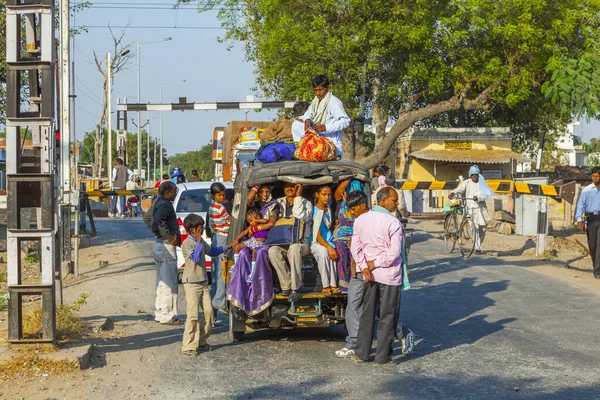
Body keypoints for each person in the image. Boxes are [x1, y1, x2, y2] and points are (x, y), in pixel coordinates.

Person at [351, 187, 404, 364]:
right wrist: (373, 264)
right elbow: (394, 253)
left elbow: (355, 248)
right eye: (394, 200)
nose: (396, 203)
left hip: (370, 275)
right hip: (389, 275)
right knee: (387, 316)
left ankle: (361, 353)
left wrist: (363, 266)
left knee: (367, 314)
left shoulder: (360, 220)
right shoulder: (393, 222)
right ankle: (382, 357)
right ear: (382, 201)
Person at [180, 213, 230, 356]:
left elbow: (212, 251)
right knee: (193, 315)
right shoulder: (187, 243)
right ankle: (188, 345)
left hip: (202, 282)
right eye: (199, 228)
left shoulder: (200, 240)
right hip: (191, 284)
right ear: (192, 230)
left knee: (208, 313)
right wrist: (198, 241)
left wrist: (227, 247)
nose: (201, 231)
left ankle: (201, 341)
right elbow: (195, 258)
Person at [228, 185, 279, 315]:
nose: (265, 194)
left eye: (267, 191)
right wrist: (255, 187)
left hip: (265, 241)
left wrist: (256, 228)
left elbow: (271, 223)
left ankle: (260, 291)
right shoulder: (252, 206)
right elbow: (248, 200)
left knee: (260, 253)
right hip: (250, 241)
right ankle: (240, 293)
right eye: (262, 191)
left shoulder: (273, 206)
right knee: (242, 253)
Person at [334, 190, 369, 358]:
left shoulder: (366, 221)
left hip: (368, 270)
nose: (352, 213)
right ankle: (354, 343)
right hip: (362, 270)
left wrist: (365, 266)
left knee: (372, 307)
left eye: (353, 209)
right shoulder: (360, 221)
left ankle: (403, 333)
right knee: (355, 304)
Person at [268, 182, 313, 303]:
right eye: (287, 186)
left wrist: (298, 197)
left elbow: (300, 217)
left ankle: (295, 288)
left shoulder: (306, 203)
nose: (290, 189)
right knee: (272, 251)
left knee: (294, 248)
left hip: (301, 242)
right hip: (282, 243)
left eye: (293, 186)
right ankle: (286, 285)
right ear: (283, 188)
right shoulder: (278, 202)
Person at [151, 181, 182, 325]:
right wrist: (169, 236)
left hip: (159, 244)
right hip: (166, 246)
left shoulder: (157, 202)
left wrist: (158, 233)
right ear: (167, 192)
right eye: (174, 191)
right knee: (169, 282)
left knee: (162, 282)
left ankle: (161, 313)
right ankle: (168, 315)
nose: (175, 194)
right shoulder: (165, 204)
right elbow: (158, 220)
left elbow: (148, 219)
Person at [303, 75, 351, 157]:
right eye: (316, 90)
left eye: (320, 90)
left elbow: (345, 121)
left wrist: (326, 128)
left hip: (332, 147)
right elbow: (308, 112)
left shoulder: (334, 102)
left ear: (328, 88)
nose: (318, 93)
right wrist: (307, 119)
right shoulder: (315, 102)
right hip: (318, 146)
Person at [448, 165, 491, 254]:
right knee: (474, 228)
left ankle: (476, 244)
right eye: (473, 175)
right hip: (471, 209)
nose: (474, 176)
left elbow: (486, 195)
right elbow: (459, 189)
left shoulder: (482, 183)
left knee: (483, 229)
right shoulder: (466, 183)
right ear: (470, 175)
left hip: (481, 209)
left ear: (478, 175)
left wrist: (478, 198)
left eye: (476, 174)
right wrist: (453, 192)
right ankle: (478, 248)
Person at [332, 179, 364, 292]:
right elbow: (340, 189)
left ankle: (357, 281)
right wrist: (351, 174)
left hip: (358, 233)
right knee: (341, 248)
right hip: (342, 235)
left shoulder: (363, 208)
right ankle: (344, 283)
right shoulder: (340, 202)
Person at [310, 185, 341, 296]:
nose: (326, 197)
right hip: (315, 241)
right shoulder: (314, 210)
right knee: (324, 252)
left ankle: (333, 285)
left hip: (328, 239)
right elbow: (316, 235)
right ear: (317, 195)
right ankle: (325, 286)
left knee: (333, 253)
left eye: (328, 194)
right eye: (324, 194)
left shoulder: (328, 207)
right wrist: (328, 247)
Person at [208, 182, 231, 314]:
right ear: (213, 195)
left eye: (223, 195)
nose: (222, 197)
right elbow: (229, 221)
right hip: (222, 238)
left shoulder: (211, 206)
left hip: (216, 238)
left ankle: (214, 307)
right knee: (223, 272)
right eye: (219, 195)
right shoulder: (220, 208)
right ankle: (219, 301)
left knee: (217, 273)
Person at [232, 209, 271, 282]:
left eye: (255, 219)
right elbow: (244, 232)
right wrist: (237, 239)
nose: (252, 222)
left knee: (254, 254)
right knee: (237, 247)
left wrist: (256, 220)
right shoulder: (251, 227)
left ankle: (252, 273)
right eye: (250, 221)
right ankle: (236, 264)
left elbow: (266, 221)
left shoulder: (263, 225)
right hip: (252, 240)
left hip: (261, 242)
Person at [576, 166, 600, 279]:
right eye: (593, 176)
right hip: (591, 219)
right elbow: (580, 205)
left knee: (599, 244)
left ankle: (597, 270)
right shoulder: (587, 190)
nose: (594, 178)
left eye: (597, 176)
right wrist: (579, 220)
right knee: (592, 244)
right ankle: (596, 265)